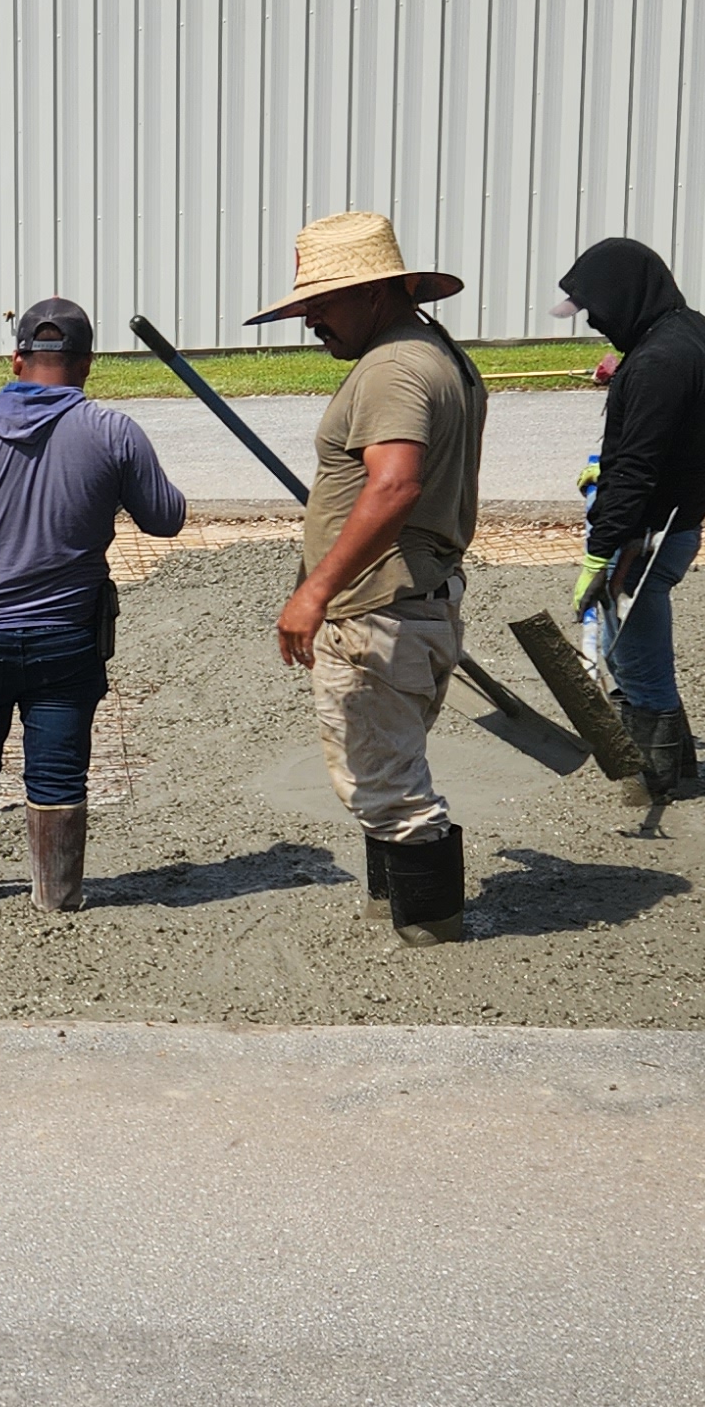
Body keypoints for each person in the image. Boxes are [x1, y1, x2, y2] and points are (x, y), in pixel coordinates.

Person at [251, 210, 488, 945]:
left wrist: (315, 590)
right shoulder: (434, 352)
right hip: (413, 600)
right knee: (385, 771)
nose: (311, 320)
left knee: (388, 789)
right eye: (306, 305)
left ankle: (432, 934)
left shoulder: (391, 368)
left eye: (325, 302)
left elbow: (394, 485)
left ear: (381, 291)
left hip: (377, 612)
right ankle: (396, 911)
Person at [0, 296, 189, 911]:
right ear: (87, 364)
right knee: (59, 774)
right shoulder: (113, 432)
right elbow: (167, 519)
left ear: (17, 360)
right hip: (66, 637)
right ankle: (56, 899)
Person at [558, 236, 705, 800]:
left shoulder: (657, 362)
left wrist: (600, 551)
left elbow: (639, 466)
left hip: (646, 537)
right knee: (643, 656)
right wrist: (601, 466)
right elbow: (656, 441)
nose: (594, 324)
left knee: (636, 671)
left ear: (624, 296)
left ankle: (651, 783)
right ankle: (678, 770)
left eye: (596, 311)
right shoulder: (691, 331)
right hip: (674, 521)